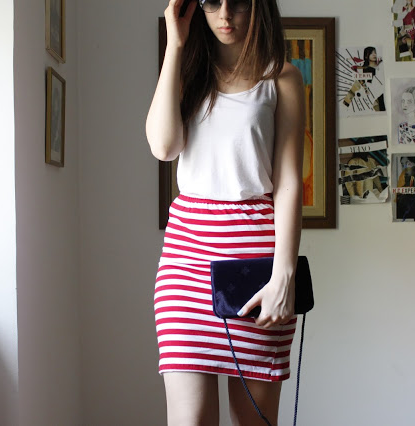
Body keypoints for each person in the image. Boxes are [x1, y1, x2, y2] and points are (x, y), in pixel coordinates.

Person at [145, 0, 305, 424]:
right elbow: (163, 146)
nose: (225, 14)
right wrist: (175, 45)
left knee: (254, 421)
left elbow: (289, 184)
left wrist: (284, 276)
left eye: (238, 2)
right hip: (186, 266)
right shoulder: (187, 73)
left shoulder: (282, 78)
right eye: (212, 2)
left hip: (256, 273)